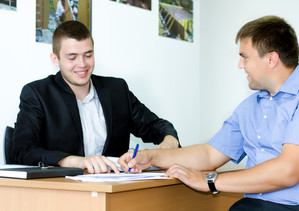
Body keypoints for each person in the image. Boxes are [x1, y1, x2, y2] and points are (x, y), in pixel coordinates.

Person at [119, 15, 299, 211]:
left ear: (271, 59)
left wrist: (210, 181)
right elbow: (210, 154)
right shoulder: (250, 107)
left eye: (245, 57)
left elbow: (288, 171)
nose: (240, 65)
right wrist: (152, 157)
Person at [11, 20, 180, 174]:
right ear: (55, 59)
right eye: (72, 57)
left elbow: (156, 125)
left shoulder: (117, 90)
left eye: (88, 55)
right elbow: (21, 150)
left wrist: (170, 140)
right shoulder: (37, 94)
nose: (82, 64)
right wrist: (71, 161)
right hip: (63, 192)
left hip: (114, 189)